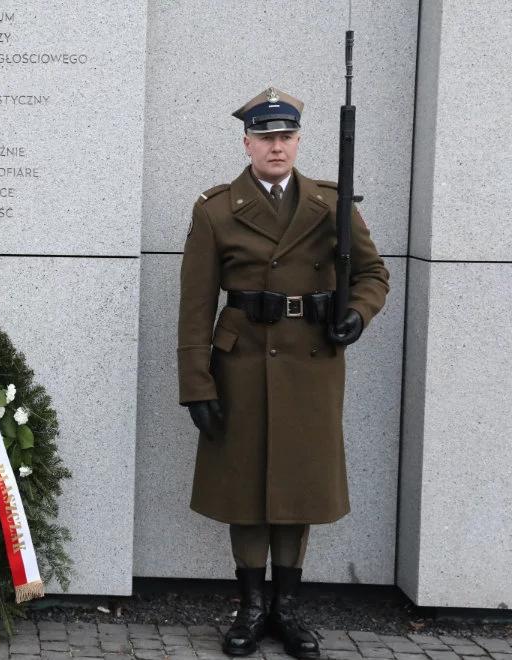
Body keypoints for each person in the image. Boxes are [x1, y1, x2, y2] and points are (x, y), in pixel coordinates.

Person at [177, 87, 389, 658]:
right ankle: (250, 608)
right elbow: (195, 306)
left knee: (297, 485)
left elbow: (374, 274)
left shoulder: (330, 204)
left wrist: (356, 313)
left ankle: (286, 609)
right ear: (246, 142)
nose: (277, 146)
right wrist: (196, 384)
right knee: (245, 486)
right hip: (241, 365)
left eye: (286, 136)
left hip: (311, 364)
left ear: (298, 141)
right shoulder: (216, 210)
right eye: (266, 136)